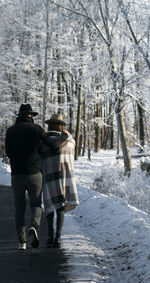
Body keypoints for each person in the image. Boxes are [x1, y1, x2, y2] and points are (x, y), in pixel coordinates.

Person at [5, 104, 69, 250]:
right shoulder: (37, 129)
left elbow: (8, 152)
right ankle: (34, 226)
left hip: (16, 174)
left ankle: (22, 242)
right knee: (35, 204)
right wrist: (65, 136)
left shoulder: (10, 131)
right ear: (31, 116)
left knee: (19, 207)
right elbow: (53, 145)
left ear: (19, 116)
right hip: (34, 174)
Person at [41, 114, 79, 247]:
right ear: (61, 126)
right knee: (61, 207)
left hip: (49, 177)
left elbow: (40, 159)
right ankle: (58, 237)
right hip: (64, 177)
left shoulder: (43, 141)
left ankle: (50, 236)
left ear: (49, 125)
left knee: (49, 206)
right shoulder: (69, 142)